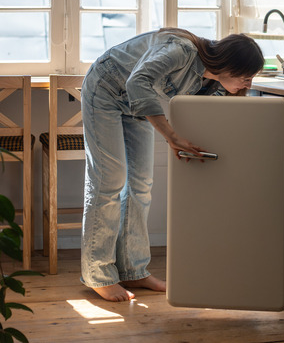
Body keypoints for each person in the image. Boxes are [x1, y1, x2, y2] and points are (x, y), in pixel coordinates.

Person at [80, 27, 264, 301]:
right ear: (228, 65)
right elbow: (137, 82)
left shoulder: (211, 83)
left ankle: (133, 270)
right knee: (109, 181)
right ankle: (98, 273)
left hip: (135, 107)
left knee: (141, 184)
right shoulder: (181, 50)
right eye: (245, 77)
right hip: (106, 90)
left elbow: (207, 116)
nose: (248, 85)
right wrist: (172, 138)